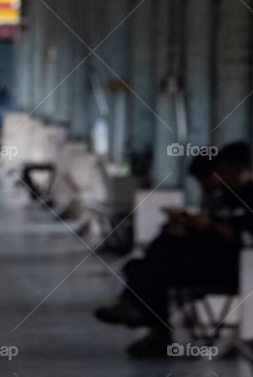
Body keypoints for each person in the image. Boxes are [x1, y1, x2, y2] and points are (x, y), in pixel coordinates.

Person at [94, 142, 253, 357]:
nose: (217, 179)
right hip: (212, 259)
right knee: (156, 252)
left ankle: (145, 318)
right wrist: (188, 224)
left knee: (154, 268)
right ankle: (143, 316)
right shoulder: (226, 197)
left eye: (221, 172)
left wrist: (209, 225)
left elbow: (243, 237)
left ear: (234, 168)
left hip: (237, 269)